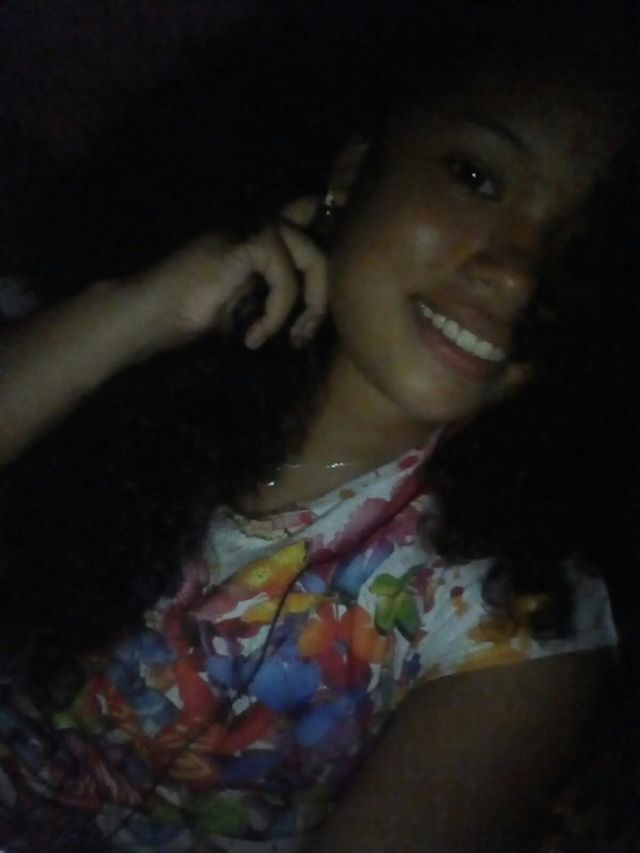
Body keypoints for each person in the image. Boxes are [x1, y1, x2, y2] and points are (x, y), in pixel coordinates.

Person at [0, 1, 639, 850]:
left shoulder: (523, 626)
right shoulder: (146, 340)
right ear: (354, 171)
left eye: (580, 243)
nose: (518, 272)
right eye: (476, 177)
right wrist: (136, 313)